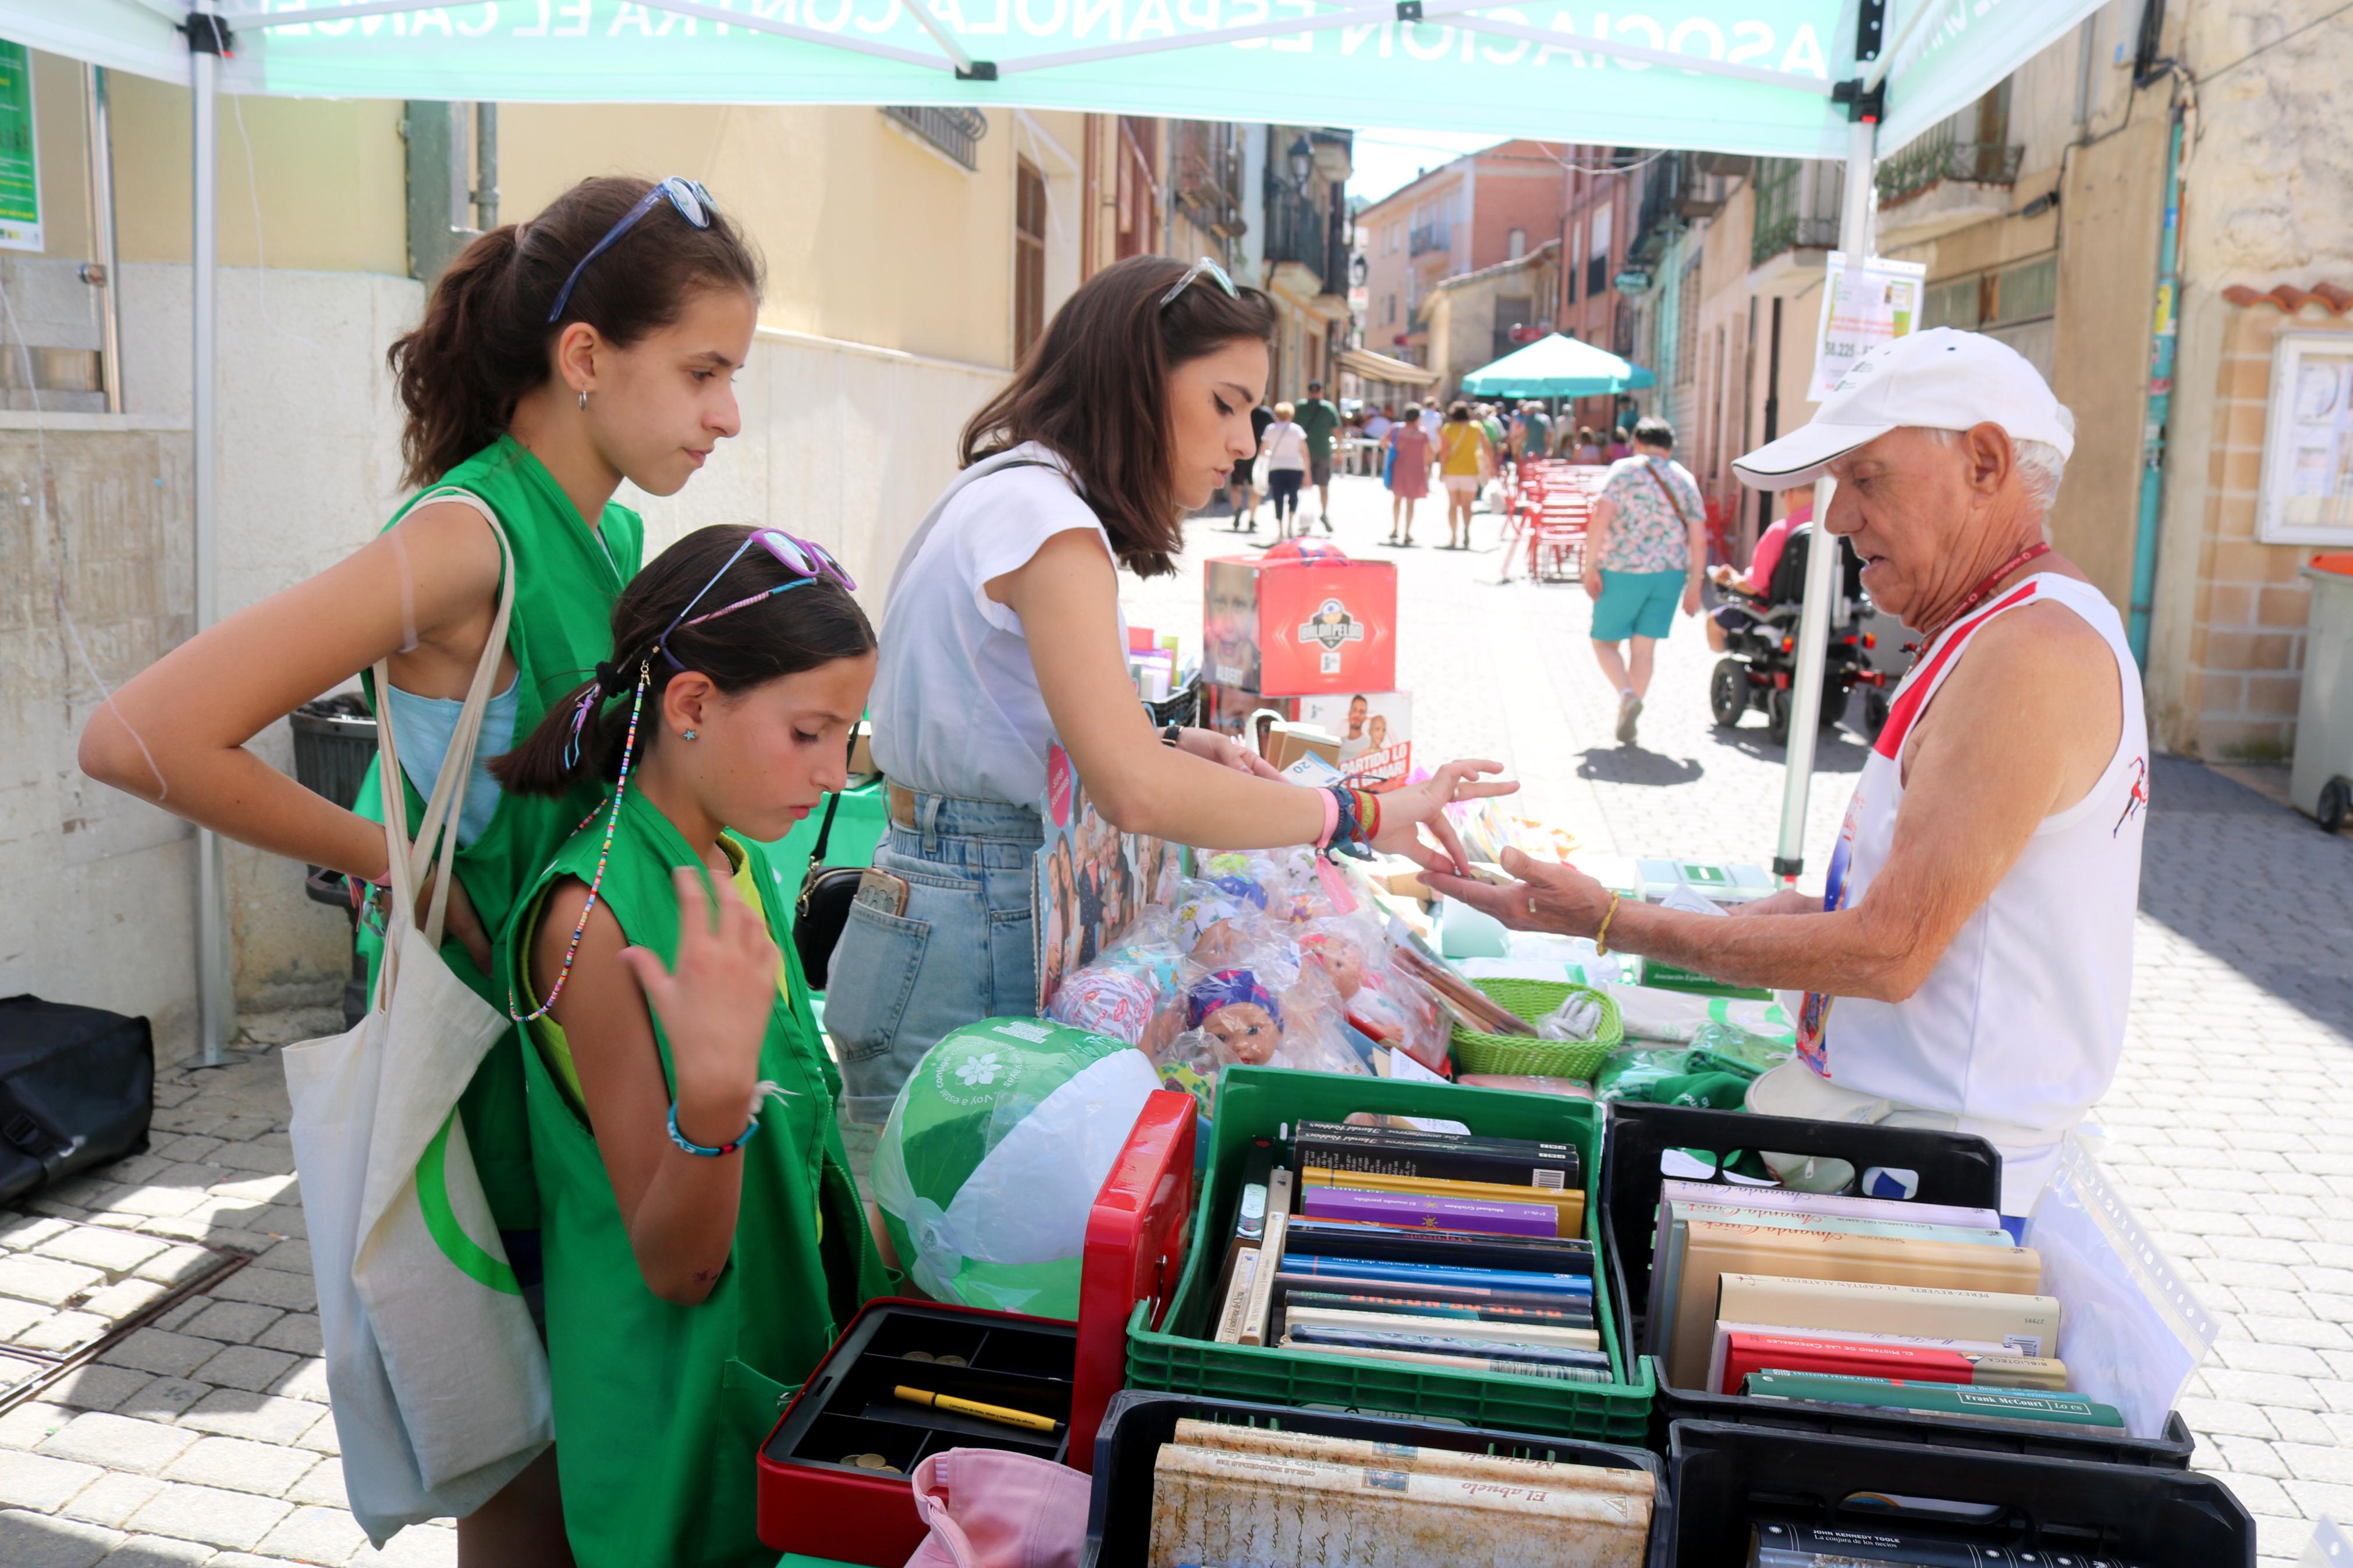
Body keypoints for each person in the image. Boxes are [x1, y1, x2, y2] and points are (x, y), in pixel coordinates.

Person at [77, 174, 761, 1566]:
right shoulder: (466, 540)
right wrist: (403, 872)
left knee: (599, 1470)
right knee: (519, 1484)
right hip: (494, 1082)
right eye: (703, 371)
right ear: (583, 357)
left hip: (596, 1072)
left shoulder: (611, 533)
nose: (725, 414)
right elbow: (137, 734)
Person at [1427, 329, 2136, 1216]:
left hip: (1939, 1185)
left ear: (1985, 462)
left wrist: (1609, 919)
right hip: (1908, 1148)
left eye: (1865, 477)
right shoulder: (1997, 627)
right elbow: (1953, 915)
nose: (1835, 518)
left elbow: (1889, 951)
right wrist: (1807, 916)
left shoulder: (2027, 651)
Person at [828, 255, 1516, 1122]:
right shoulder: (1047, 520)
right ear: (1130, 380)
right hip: (970, 929)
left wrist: (1165, 740)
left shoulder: (1023, 498)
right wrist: (1356, 813)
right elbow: (1135, 791)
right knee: (951, 1233)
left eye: (1253, 413)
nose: (1243, 440)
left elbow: (1032, 731)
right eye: (1224, 402)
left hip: (956, 912)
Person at [492, 525, 890, 1566]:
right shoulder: (593, 922)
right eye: (808, 733)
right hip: (676, 1407)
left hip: (774, 1354)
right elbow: (673, 1265)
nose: (833, 773)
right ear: (693, 704)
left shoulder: (730, 858)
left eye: (846, 738)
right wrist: (712, 1104)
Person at [1583, 415, 1705, 745]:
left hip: (1622, 569)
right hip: (1669, 574)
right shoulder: (1684, 478)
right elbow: (1698, 534)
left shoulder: (1623, 472)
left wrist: (1589, 565)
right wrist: (1695, 584)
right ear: (1669, 448)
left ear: (1637, 443)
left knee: (1604, 642)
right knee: (1644, 649)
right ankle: (1631, 708)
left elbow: (1601, 520)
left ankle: (1626, 695)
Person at [1706, 481, 1815, 653]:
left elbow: (1753, 587)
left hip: (1777, 617)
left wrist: (1731, 578)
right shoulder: (1837, 530)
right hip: (1829, 614)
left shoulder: (1781, 531)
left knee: (1713, 621)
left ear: (1790, 493)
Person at [1436, 400, 1495, 551]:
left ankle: (1454, 535)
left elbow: (1444, 451)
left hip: (1452, 471)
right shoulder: (1476, 427)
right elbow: (1487, 447)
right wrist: (1491, 467)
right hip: (1470, 471)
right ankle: (1466, 530)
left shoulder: (1448, 428)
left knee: (1453, 505)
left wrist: (1442, 470)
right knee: (1467, 506)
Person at [1295, 379, 1343, 529]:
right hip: (1323, 452)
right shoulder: (1329, 408)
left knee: (1305, 487)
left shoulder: (1301, 407)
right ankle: (1324, 513)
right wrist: (1339, 452)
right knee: (1324, 486)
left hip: (1303, 455)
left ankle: (1306, 519)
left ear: (1309, 392)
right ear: (1322, 392)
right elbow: (1338, 432)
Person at [1384, 402, 1434, 546]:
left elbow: (1383, 442)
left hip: (1399, 467)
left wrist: (1393, 451)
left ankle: (1394, 529)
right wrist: (1428, 469)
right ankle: (1407, 532)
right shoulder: (1422, 433)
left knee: (1397, 499)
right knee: (1411, 502)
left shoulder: (1396, 429)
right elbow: (1429, 453)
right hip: (1416, 470)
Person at [1260, 399, 1311, 538]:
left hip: (1276, 467)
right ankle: (1290, 525)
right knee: (1293, 497)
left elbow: (1262, 451)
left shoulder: (1270, 429)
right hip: (1295, 467)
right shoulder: (1297, 430)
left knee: (1278, 497)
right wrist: (1308, 474)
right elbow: (1305, 453)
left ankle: (1280, 530)